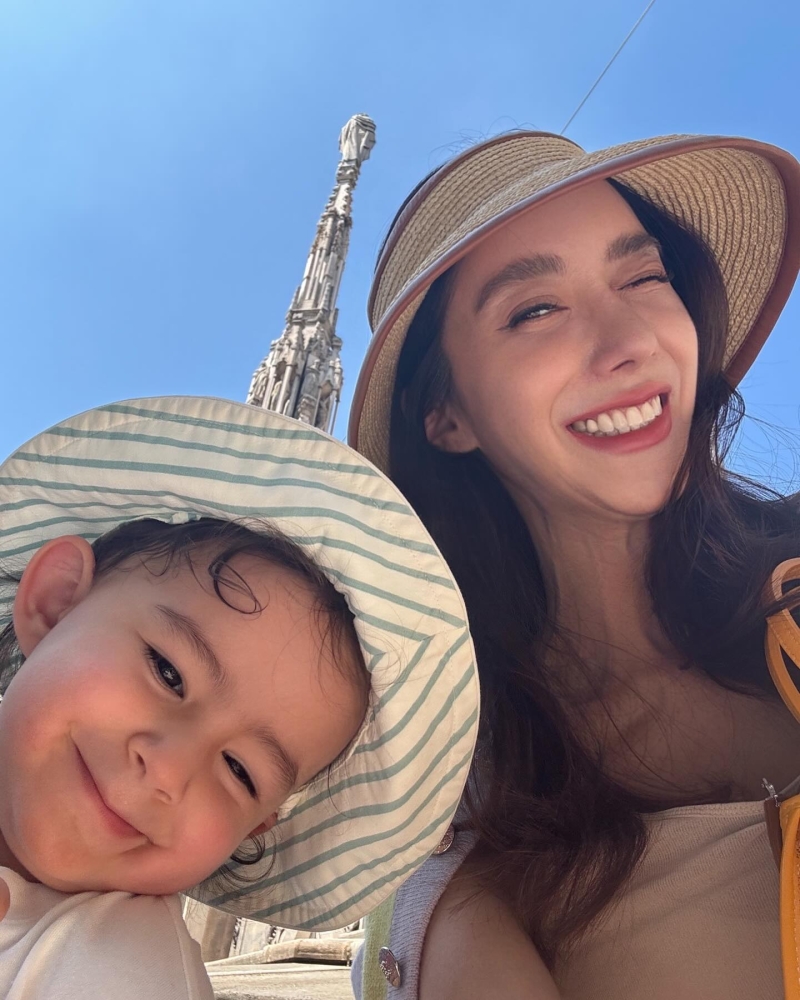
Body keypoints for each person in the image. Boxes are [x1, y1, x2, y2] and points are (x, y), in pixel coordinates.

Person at [348, 130, 800, 999]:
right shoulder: (465, 805)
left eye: (642, 277)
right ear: (447, 415)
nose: (629, 340)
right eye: (535, 311)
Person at [0, 394, 479, 998]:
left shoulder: (120, 967)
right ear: (54, 603)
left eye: (240, 772)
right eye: (168, 674)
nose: (168, 770)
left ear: (254, 829)